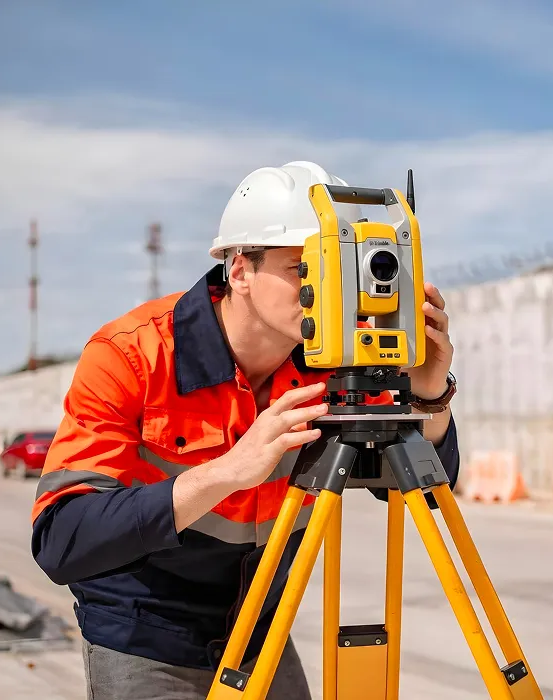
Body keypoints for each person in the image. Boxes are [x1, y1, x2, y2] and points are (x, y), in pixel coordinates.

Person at [30, 161, 460, 700]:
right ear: (240, 270)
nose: (325, 289)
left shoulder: (337, 362)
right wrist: (228, 472)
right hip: (146, 633)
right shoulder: (131, 355)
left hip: (260, 630)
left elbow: (429, 483)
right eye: (303, 269)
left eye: (334, 268)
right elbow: (63, 541)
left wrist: (426, 393)